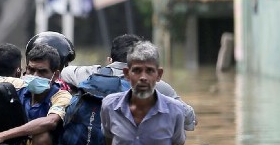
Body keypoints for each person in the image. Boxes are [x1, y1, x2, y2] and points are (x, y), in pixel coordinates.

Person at [61, 34, 196, 131]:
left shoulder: (90, 74)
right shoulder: (156, 85)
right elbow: (189, 119)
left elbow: (63, 72)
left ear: (109, 61)